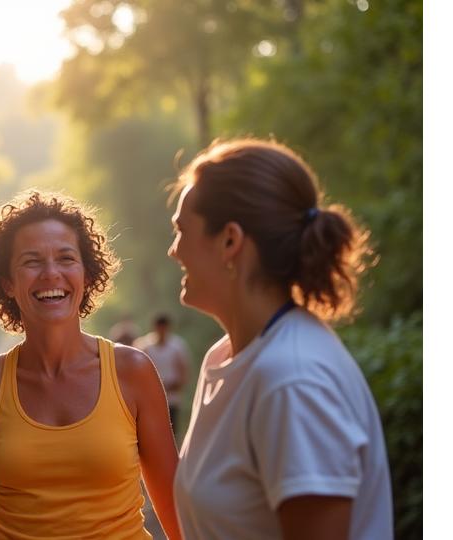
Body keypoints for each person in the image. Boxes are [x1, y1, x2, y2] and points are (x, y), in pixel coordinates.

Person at [167, 138, 392, 539]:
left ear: (230, 241)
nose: (173, 251)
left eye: (182, 231)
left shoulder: (293, 381)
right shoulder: (225, 357)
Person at [0, 191, 182, 539]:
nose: (51, 274)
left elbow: (176, 510)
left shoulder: (132, 372)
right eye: (32, 261)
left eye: (66, 258)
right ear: (7, 283)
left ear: (87, 274)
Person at [134, 314, 190, 434]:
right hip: (149, 398)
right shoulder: (144, 345)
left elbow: (183, 372)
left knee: (170, 433)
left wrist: (172, 386)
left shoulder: (177, 346)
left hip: (171, 399)